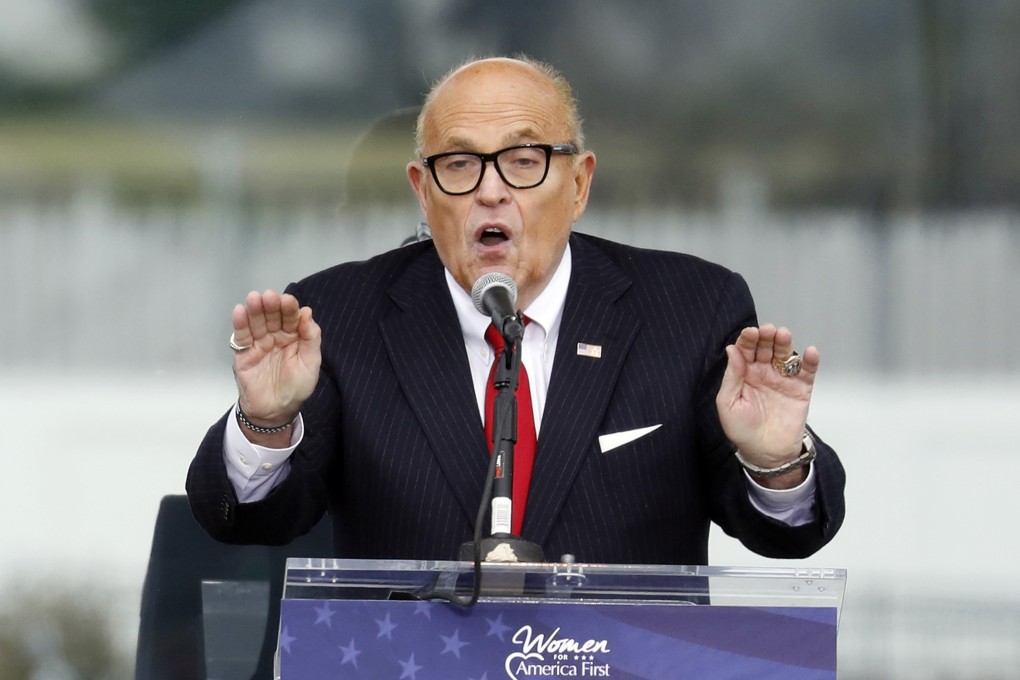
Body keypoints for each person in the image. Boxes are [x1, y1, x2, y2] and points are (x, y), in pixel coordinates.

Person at [186, 56, 845, 566]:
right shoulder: (339, 315)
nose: (492, 191)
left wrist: (773, 461)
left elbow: (782, 538)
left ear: (579, 182)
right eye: (461, 164)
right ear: (423, 189)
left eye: (525, 161)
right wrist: (267, 424)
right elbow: (252, 521)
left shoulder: (693, 308)